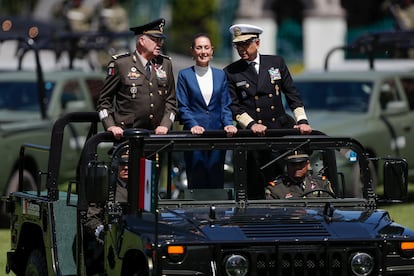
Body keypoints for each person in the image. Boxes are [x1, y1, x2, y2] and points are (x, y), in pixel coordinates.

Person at [223, 23, 312, 199]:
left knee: (285, 182)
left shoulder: (275, 63)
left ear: (257, 43)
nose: (242, 49)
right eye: (238, 45)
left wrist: (302, 120)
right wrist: (251, 124)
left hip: (278, 129)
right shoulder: (231, 72)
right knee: (254, 185)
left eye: (246, 44)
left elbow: (292, 94)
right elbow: (233, 105)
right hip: (252, 135)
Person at [97, 18, 176, 139]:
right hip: (127, 136)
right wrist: (111, 126)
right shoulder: (121, 64)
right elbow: (104, 101)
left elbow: (171, 101)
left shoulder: (165, 63)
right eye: (155, 40)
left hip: (158, 136)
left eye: (161, 40)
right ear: (142, 41)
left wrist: (165, 124)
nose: (159, 44)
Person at [176, 33, 238, 189]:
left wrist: (228, 124)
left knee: (216, 179)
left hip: (217, 134)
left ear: (212, 50)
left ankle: (217, 213)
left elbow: (225, 105)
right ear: (192, 51)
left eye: (206, 47)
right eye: (199, 48)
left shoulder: (220, 74)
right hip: (195, 135)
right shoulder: (185, 75)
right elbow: (183, 106)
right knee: (196, 179)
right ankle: (195, 214)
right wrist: (193, 125)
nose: (203, 52)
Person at [265, 151, 333, 199]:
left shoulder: (321, 184)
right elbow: (273, 214)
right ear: (287, 166)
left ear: (308, 164)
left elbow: (332, 207)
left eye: (301, 164)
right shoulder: (276, 189)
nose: (297, 167)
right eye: (293, 164)